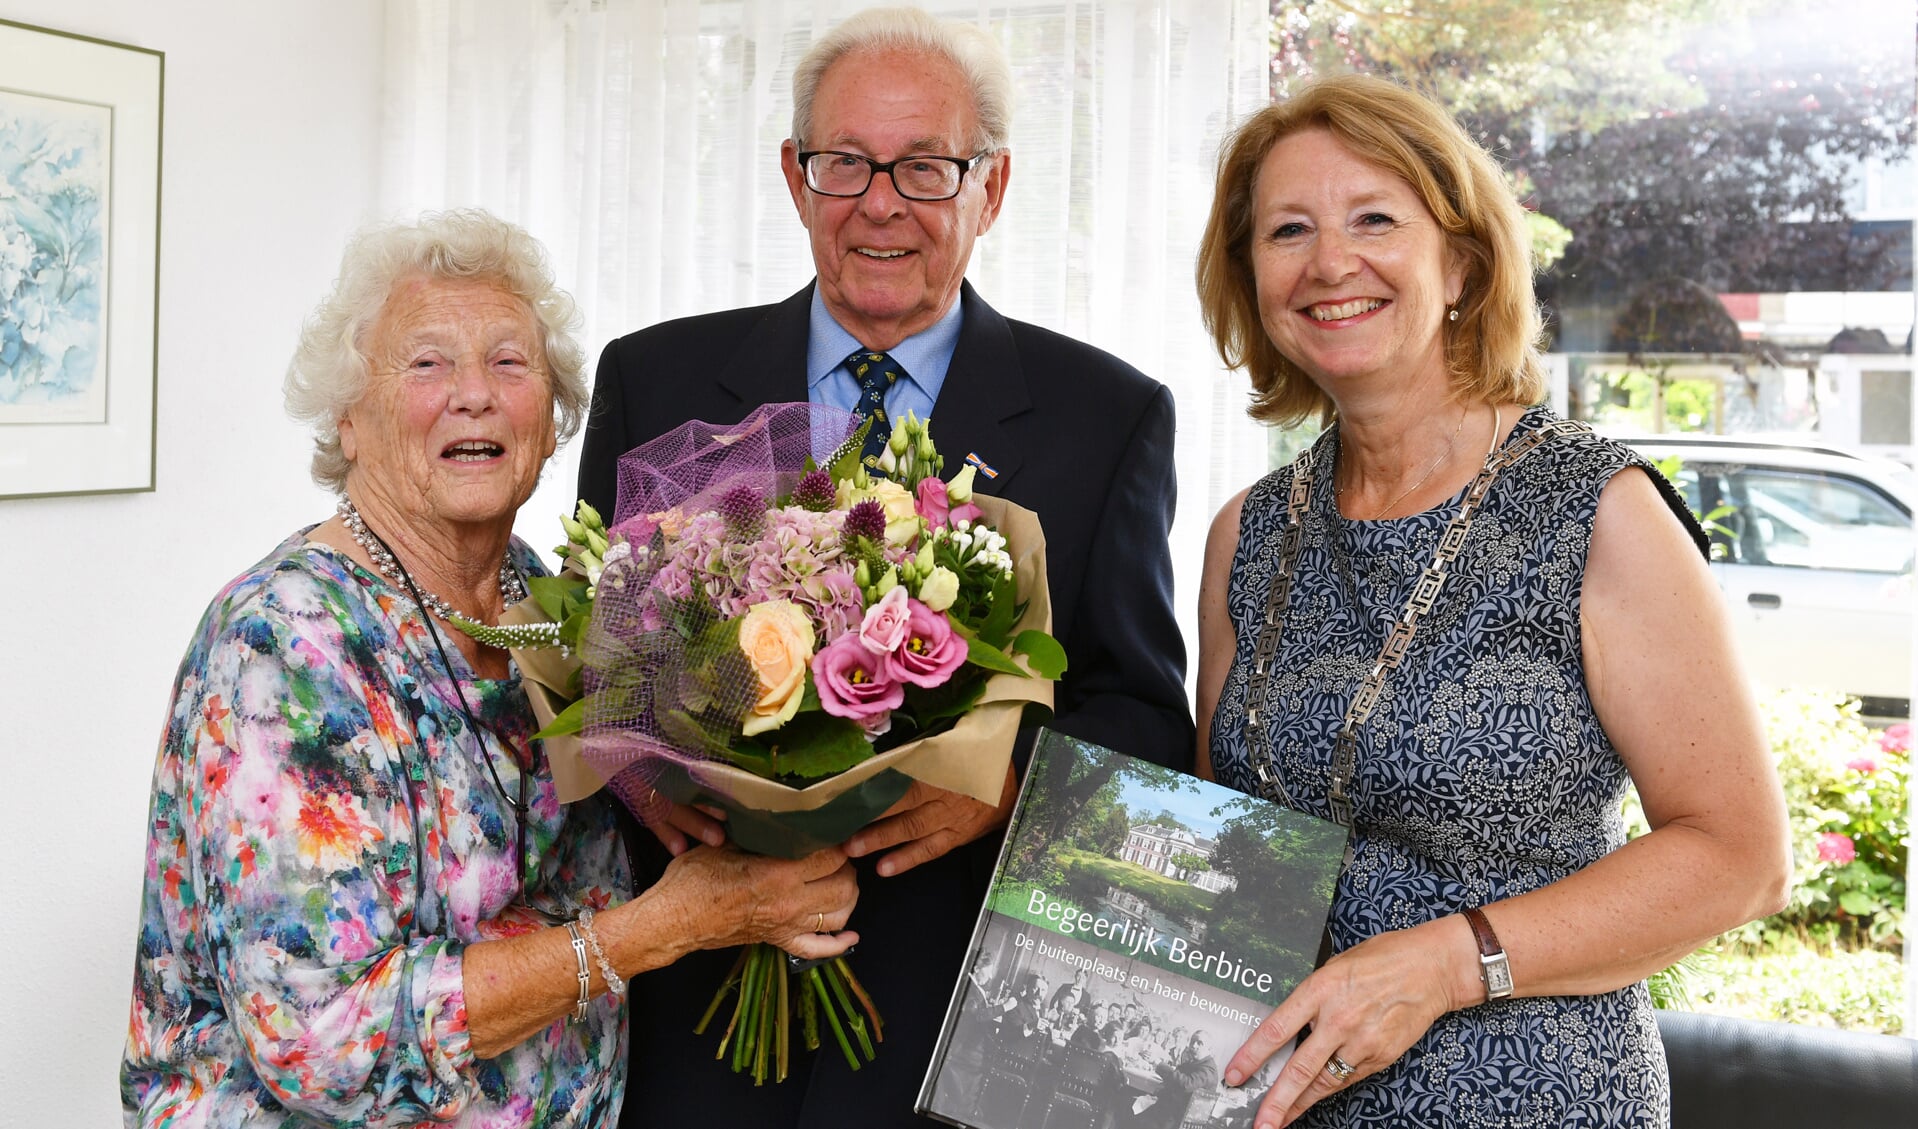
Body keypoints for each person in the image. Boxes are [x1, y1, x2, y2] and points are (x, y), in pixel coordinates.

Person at [575, 7, 1193, 1126]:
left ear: (990, 189)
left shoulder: (1107, 416)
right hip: (692, 1011)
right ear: (794, 176)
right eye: (845, 161)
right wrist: (641, 769)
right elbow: (598, 656)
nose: (879, 202)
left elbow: (1145, 715)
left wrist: (1001, 794)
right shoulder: (654, 377)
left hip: (948, 1023)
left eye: (924, 167)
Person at [120, 211, 859, 1128]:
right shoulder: (282, 645)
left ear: (549, 423)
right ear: (349, 419)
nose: (473, 393)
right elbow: (321, 1039)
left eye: (509, 363)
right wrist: (667, 927)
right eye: (426, 363)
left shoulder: (553, 606)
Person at [1192, 74, 1792, 1127]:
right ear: (1251, 278)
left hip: (1535, 1097)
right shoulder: (1247, 535)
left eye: (1373, 219)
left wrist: (1449, 961)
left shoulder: (1595, 507)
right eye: (1288, 230)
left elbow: (1738, 857)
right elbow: (1225, 854)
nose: (1330, 262)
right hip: (1277, 1103)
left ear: (1460, 262)